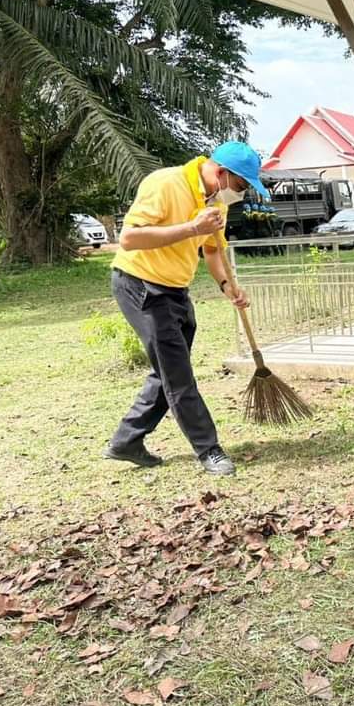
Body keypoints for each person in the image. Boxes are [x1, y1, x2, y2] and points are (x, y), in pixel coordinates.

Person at [104, 141, 267, 477]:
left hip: (175, 289)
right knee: (178, 374)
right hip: (141, 285)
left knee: (168, 370)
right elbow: (130, 238)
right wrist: (193, 227)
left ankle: (126, 441)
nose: (242, 193)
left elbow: (213, 252)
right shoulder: (165, 183)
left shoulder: (216, 205)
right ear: (221, 173)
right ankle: (209, 449)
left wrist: (227, 287)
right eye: (241, 185)